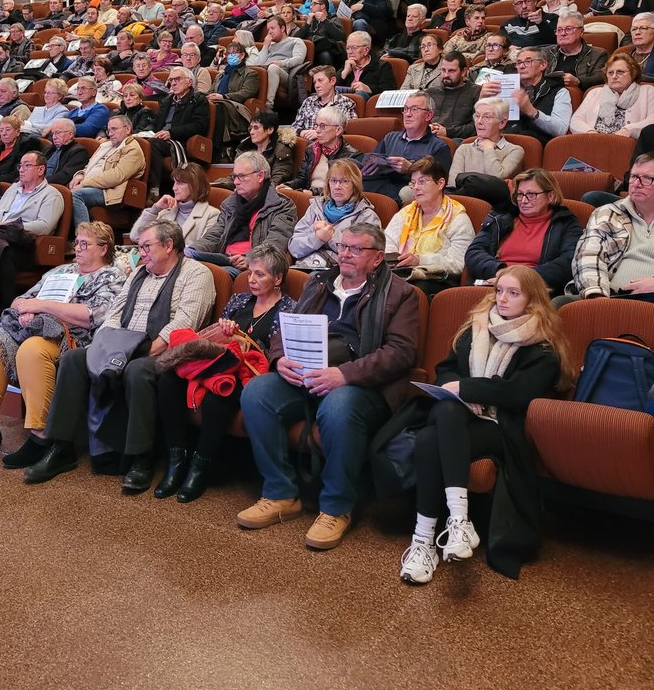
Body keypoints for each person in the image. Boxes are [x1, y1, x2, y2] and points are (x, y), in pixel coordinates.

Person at [238, 221, 419, 549]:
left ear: (378, 258)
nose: (345, 254)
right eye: (343, 246)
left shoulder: (401, 293)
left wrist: (345, 375)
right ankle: (280, 494)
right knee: (258, 392)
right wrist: (279, 360)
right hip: (306, 372)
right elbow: (283, 329)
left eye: (356, 249)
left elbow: (400, 353)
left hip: (363, 386)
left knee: (339, 405)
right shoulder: (318, 282)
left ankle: (337, 507)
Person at [398, 268, 573, 585]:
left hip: (499, 426)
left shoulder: (542, 346)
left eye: (513, 293)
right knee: (443, 419)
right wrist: (456, 389)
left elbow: (517, 393)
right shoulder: (476, 328)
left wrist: (466, 390)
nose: (502, 298)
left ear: (533, 300)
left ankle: (424, 541)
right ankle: (454, 524)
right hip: (457, 419)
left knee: (429, 437)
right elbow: (446, 369)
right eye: (500, 291)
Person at [22, 219, 216, 492]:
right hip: (121, 346)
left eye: (146, 246)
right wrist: (104, 349)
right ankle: (61, 447)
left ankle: (141, 458)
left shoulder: (197, 274)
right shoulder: (140, 272)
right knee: (74, 360)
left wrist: (133, 354)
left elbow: (182, 325)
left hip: (164, 351)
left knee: (138, 370)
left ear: (169, 245)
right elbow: (114, 313)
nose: (141, 252)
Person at [0, 221, 127, 465]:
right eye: (76, 243)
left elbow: (95, 314)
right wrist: (26, 311)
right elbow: (21, 299)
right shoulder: (61, 271)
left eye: (84, 244)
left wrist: (43, 307)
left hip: (77, 337)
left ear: (103, 249)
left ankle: (41, 436)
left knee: (33, 350)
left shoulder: (111, 276)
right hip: (34, 328)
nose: (77, 249)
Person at [154, 244, 298, 502]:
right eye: (251, 273)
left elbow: (279, 355)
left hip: (251, 373)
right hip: (217, 363)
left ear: (278, 278)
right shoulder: (239, 300)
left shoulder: (290, 309)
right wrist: (224, 329)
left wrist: (243, 341)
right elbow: (214, 337)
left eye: (260, 275)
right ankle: (177, 458)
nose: (252, 280)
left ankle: (201, 466)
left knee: (220, 392)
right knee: (168, 379)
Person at [0, 152, 65, 321]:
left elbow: (45, 226)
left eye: (27, 165)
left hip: (23, 242)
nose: (21, 169)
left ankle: (0, 310)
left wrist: (6, 225)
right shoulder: (13, 188)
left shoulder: (52, 194)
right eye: (20, 165)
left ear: (41, 169)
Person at [465, 169, 582, 293]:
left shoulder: (566, 223)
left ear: (550, 196)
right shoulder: (501, 217)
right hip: (495, 281)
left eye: (531, 195)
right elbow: (474, 252)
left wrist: (521, 277)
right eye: (520, 194)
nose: (524, 201)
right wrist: (500, 271)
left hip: (535, 287)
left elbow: (569, 261)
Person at [567, 151, 654, 300]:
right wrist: (598, 295)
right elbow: (588, 255)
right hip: (611, 296)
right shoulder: (607, 213)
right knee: (561, 303)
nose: (636, 184)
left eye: (647, 178)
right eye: (633, 177)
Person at [190, 152, 297, 271]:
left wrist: (249, 258)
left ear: (260, 176)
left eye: (241, 176)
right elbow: (214, 235)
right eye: (234, 176)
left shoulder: (282, 206)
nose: (235, 182)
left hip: (251, 266)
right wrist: (193, 250)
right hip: (223, 259)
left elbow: (275, 243)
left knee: (205, 272)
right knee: (187, 263)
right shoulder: (230, 204)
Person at [384, 158, 475, 296]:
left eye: (422, 182)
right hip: (401, 273)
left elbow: (458, 264)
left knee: (408, 290)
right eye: (413, 183)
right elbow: (388, 242)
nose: (416, 188)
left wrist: (420, 260)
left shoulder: (458, 219)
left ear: (440, 183)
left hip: (437, 281)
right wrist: (393, 260)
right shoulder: (406, 213)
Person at [360, 92, 452, 203]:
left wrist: (410, 168)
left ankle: (391, 205)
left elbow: (437, 183)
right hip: (385, 183)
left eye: (414, 110)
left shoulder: (439, 147)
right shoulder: (390, 138)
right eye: (405, 109)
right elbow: (374, 162)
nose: (407, 114)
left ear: (428, 116)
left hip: (410, 188)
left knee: (405, 193)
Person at [288, 159, 380, 270]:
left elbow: (363, 256)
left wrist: (331, 236)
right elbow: (294, 248)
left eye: (344, 181)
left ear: (355, 185)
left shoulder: (366, 215)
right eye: (333, 180)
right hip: (305, 267)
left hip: (341, 274)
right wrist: (317, 238)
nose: (337, 186)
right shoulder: (315, 207)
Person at [478, 47, 571, 143]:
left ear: (543, 65)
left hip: (533, 145)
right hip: (500, 141)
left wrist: (532, 111)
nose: (522, 66)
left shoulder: (559, 91)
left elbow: (560, 130)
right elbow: (483, 124)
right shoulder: (505, 87)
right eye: (518, 63)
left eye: (528, 62)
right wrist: (482, 100)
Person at [69, 115, 146, 227]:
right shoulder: (105, 145)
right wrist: (81, 174)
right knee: (60, 195)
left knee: (75, 195)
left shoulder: (132, 149)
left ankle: (85, 236)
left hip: (109, 192)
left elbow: (117, 176)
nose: (110, 133)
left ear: (128, 129)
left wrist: (85, 183)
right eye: (108, 130)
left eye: (114, 129)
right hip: (91, 186)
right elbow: (90, 165)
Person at [146, 67, 210, 195]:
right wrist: (146, 131)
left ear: (189, 82)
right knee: (139, 142)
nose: (173, 83)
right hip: (160, 137)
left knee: (152, 144)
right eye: (171, 80)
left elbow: (199, 126)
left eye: (177, 79)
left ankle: (154, 190)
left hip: (179, 140)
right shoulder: (166, 101)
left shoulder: (198, 100)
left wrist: (171, 133)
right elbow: (156, 122)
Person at [447, 98, 524, 205]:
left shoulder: (515, 150)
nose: (479, 121)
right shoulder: (464, 149)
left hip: (496, 208)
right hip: (461, 204)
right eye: (477, 116)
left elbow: (497, 179)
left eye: (486, 117)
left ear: (501, 123)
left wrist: (489, 149)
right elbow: (453, 184)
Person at [129, 162, 220, 246]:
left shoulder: (211, 214)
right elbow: (136, 237)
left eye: (180, 183)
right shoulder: (164, 212)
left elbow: (205, 248)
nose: (174, 188)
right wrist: (155, 209)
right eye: (174, 182)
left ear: (196, 186)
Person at [569, 53, 654, 138]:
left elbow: (652, 119)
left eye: (620, 72)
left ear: (633, 73)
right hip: (594, 142)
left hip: (630, 144)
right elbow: (576, 120)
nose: (614, 76)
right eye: (610, 73)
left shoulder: (647, 91)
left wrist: (629, 130)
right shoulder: (594, 93)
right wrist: (590, 133)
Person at [282, 107, 361, 197]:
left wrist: (314, 192)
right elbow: (302, 178)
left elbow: (342, 188)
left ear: (338, 130)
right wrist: (288, 185)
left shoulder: (351, 156)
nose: (317, 130)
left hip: (332, 201)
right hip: (308, 196)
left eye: (323, 126)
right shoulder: (311, 149)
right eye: (316, 125)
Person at [247, 15, 307, 110]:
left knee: (273, 68)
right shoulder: (270, 45)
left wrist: (281, 63)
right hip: (265, 72)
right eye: (268, 29)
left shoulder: (296, 41)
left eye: (272, 28)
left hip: (285, 75)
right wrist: (265, 46)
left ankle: (268, 106)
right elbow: (258, 64)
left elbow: (299, 59)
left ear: (282, 28)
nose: (269, 32)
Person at [292, 66, 358, 139]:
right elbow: (295, 126)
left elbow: (348, 130)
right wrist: (301, 132)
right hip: (307, 144)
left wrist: (319, 133)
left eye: (320, 80)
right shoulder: (308, 102)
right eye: (315, 82)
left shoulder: (346, 103)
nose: (316, 85)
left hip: (332, 146)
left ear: (332, 81)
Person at [337, 33, 396, 98]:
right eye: (348, 48)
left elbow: (390, 90)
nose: (350, 52)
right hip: (343, 105)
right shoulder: (347, 66)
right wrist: (344, 73)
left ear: (366, 50)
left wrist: (369, 89)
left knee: (359, 94)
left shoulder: (382, 67)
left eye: (354, 48)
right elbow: (331, 88)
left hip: (369, 103)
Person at [44, 118, 90, 186]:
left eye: (58, 133)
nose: (54, 137)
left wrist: (39, 183)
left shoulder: (79, 152)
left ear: (70, 134)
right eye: (53, 133)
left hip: (50, 186)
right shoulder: (49, 149)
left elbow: (64, 176)